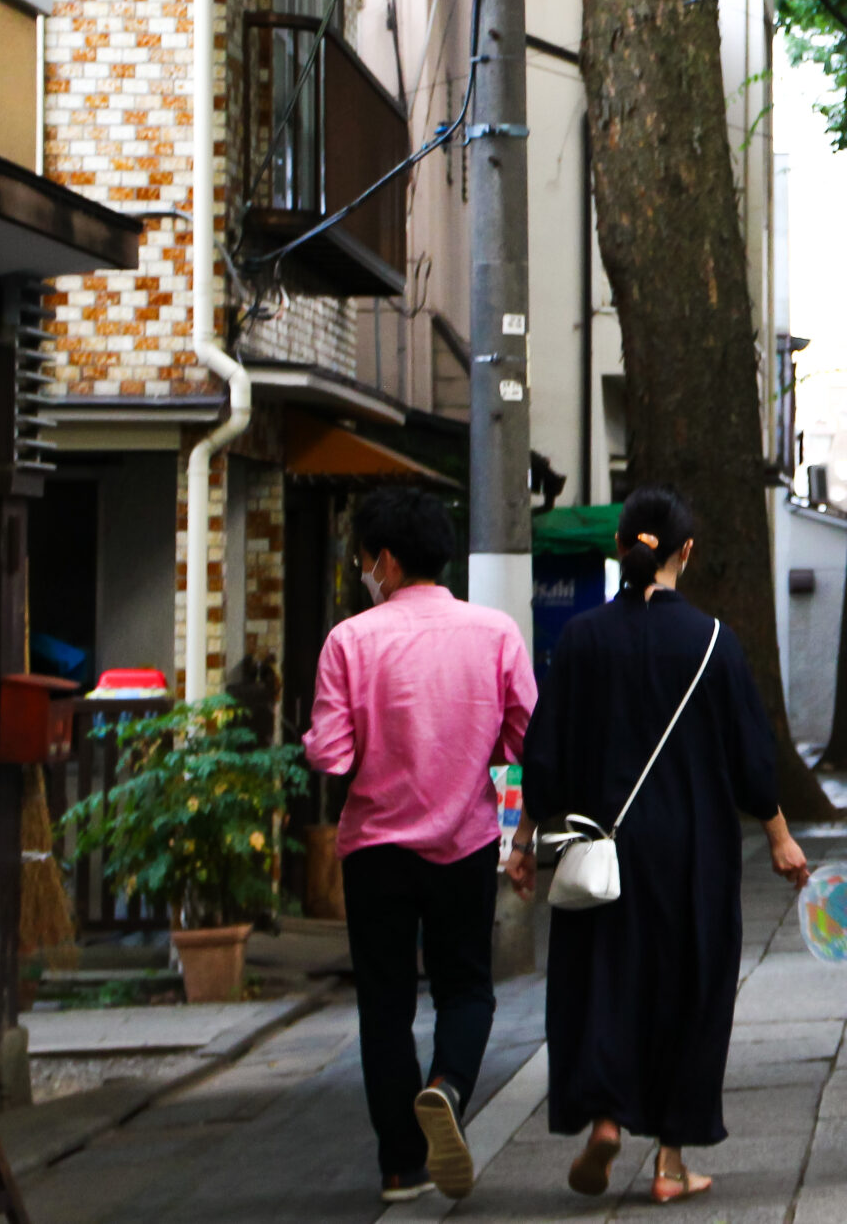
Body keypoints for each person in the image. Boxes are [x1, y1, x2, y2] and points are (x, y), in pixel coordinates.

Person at [518, 488, 813, 1205]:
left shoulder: (582, 638)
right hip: (693, 851)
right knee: (690, 989)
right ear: (687, 551)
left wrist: (525, 837)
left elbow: (545, 750)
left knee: (605, 981)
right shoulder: (713, 641)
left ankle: (607, 1117)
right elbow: (750, 754)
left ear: (620, 546)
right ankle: (670, 1163)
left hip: (601, 845)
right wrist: (778, 835)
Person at [304, 488, 537, 1205]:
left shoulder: (350, 641)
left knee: (384, 1005)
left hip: (376, 850)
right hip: (463, 843)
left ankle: (401, 1167)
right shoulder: (495, 633)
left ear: (387, 560)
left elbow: (331, 755)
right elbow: (525, 741)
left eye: (364, 560)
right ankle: (449, 1087)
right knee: (466, 986)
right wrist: (507, 809)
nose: (362, 572)